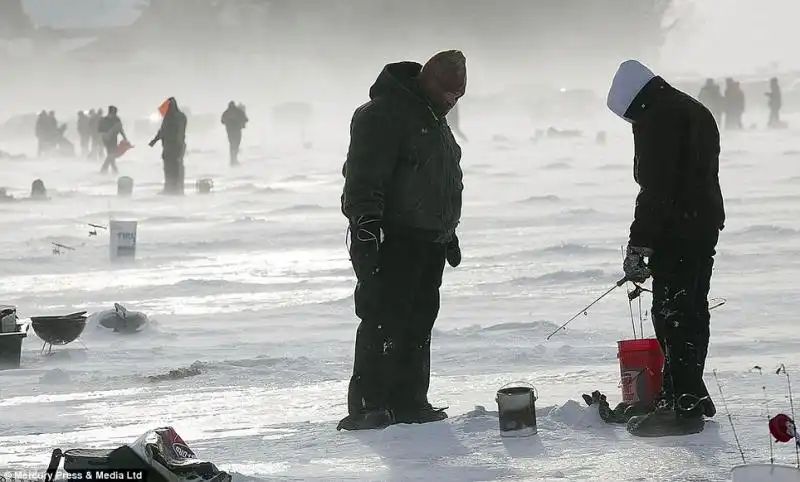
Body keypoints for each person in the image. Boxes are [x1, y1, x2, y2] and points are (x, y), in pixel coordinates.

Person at [336, 50, 466, 431]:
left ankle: (409, 400)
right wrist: (364, 229)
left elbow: (438, 179)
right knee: (383, 319)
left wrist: (449, 231)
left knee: (418, 322)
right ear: (428, 81)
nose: (451, 103)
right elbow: (362, 178)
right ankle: (369, 404)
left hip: (429, 241)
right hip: (391, 238)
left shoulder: (432, 117)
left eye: (457, 98)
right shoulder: (382, 114)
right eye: (447, 94)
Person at [606, 60, 725, 436]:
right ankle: (689, 392)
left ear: (634, 102)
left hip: (678, 232)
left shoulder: (658, 120)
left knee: (672, 315)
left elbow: (656, 190)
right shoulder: (691, 108)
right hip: (701, 226)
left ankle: (682, 406)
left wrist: (640, 243)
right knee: (691, 311)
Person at [149, 97, 187, 195]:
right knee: (175, 167)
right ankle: (176, 188)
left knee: (172, 167)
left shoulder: (170, 117)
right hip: (176, 146)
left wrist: (154, 140)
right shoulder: (181, 116)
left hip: (172, 146)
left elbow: (165, 131)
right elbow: (164, 131)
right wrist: (154, 140)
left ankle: (172, 188)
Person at [98, 106, 128, 174]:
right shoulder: (115, 119)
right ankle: (105, 170)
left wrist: (124, 137)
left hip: (110, 139)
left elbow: (99, 130)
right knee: (111, 155)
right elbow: (120, 129)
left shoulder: (105, 119)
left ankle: (111, 170)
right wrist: (124, 137)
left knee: (110, 155)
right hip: (109, 139)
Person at [221, 101, 248, 166]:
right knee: (236, 144)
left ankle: (232, 160)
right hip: (237, 130)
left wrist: (228, 123)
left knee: (232, 144)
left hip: (229, 131)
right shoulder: (238, 111)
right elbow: (246, 119)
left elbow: (222, 121)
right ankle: (234, 160)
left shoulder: (226, 112)